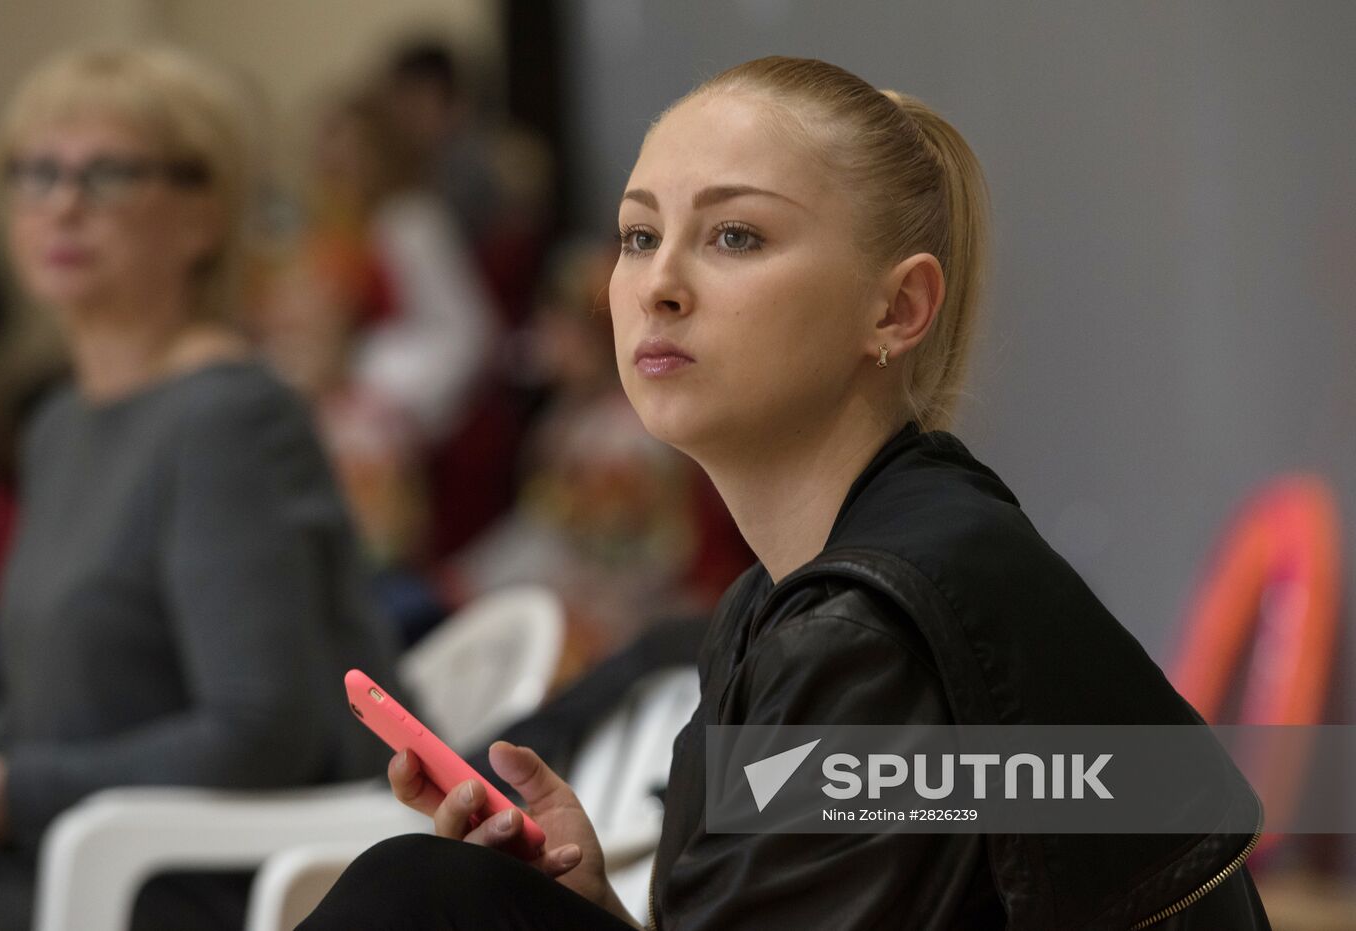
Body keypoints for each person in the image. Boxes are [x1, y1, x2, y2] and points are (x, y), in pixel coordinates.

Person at [300, 56, 1270, 930]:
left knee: (418, 896)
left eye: (732, 235)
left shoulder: (861, 627)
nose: (656, 285)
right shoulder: (790, 591)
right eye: (637, 236)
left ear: (894, 308)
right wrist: (582, 905)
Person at [0, 47, 399, 930]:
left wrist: (5, 790)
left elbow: (262, 729)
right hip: (65, 851)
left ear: (203, 214)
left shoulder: (226, 419)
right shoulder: (60, 424)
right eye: (36, 173)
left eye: (108, 174)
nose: (63, 203)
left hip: (189, 875)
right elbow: (49, 699)